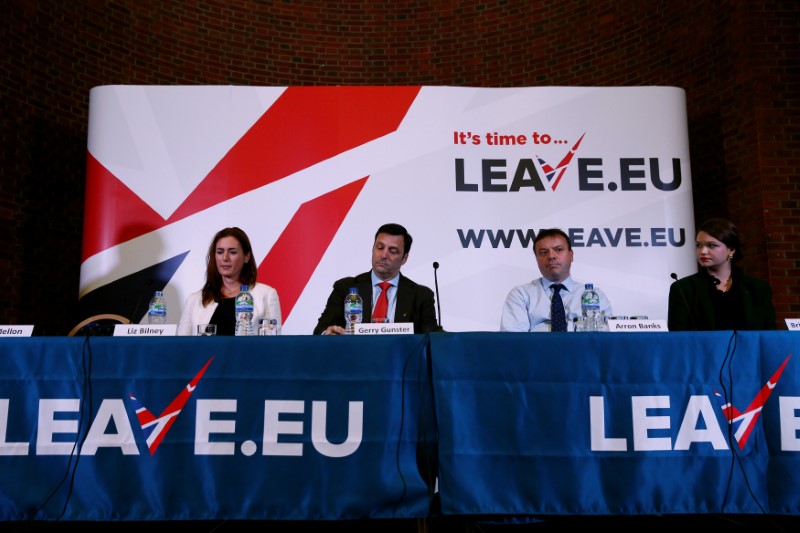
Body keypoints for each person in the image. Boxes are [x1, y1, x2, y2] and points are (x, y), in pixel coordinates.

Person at [313, 223, 440, 335]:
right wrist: (327, 334)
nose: (383, 255)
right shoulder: (345, 288)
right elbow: (321, 330)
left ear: (404, 258)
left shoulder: (421, 296)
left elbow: (431, 340)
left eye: (393, 251)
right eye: (380, 247)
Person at [668, 218, 776, 331]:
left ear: (731, 250)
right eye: (699, 245)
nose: (703, 251)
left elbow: (769, 333)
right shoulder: (683, 288)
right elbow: (678, 337)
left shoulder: (757, 288)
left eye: (711, 245)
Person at [500, 228, 613, 332]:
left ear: (571, 255)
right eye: (544, 252)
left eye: (558, 250)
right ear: (537, 259)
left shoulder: (593, 295)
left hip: (582, 352)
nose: (551, 256)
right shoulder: (521, 294)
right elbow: (513, 341)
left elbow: (605, 340)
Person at [177, 227, 281, 336]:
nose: (225, 258)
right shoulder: (194, 300)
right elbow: (182, 348)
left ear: (246, 257)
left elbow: (273, 347)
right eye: (220, 252)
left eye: (232, 252)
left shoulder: (267, 295)